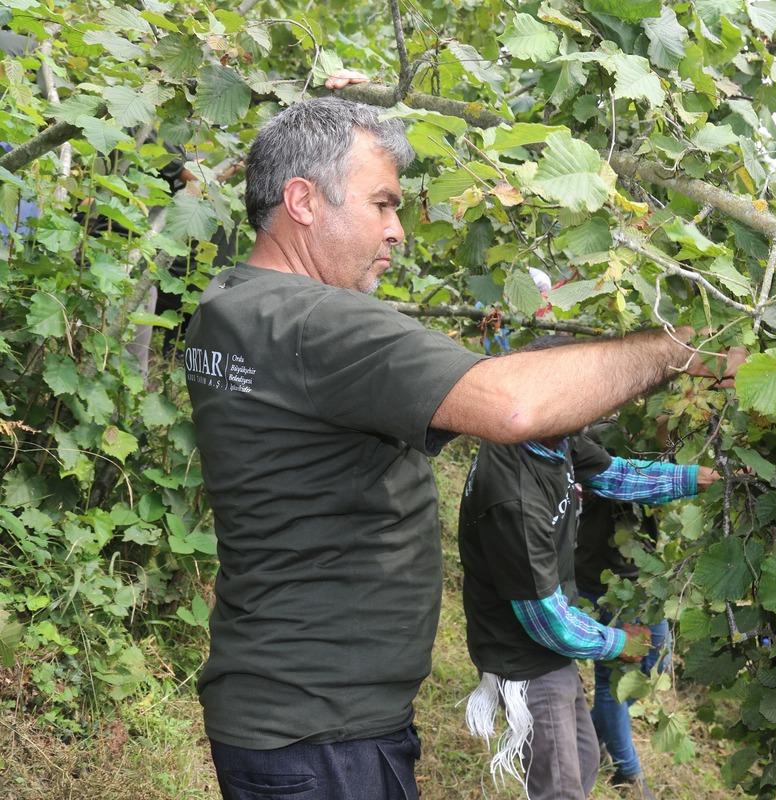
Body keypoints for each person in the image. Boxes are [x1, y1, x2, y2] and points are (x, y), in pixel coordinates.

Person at [184, 93, 743, 800]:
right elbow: (514, 403)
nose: (398, 231)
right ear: (302, 200)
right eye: (382, 204)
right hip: (324, 733)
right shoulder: (319, 325)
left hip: (287, 711)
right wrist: (681, 349)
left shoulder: (232, 305)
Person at [457, 340, 719, 800]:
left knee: (581, 761)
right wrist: (619, 643)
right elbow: (547, 620)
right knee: (560, 789)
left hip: (548, 649)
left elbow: (614, 476)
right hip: (525, 659)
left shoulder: (555, 436)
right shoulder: (513, 497)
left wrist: (690, 479)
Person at [574, 421, 715, 799]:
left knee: (657, 662)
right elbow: (623, 481)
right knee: (617, 681)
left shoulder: (666, 440)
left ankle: (588, 737)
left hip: (645, 576)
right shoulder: (603, 436)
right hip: (603, 575)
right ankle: (628, 775)